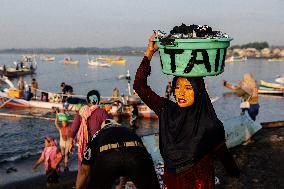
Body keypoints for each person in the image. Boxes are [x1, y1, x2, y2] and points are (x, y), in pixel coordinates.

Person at [133, 33, 240, 189]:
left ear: (199, 91)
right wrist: (149, 53)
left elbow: (225, 157)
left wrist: (234, 172)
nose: (180, 93)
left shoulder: (211, 125)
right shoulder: (167, 110)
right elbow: (139, 87)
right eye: (177, 87)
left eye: (188, 88)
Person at [76, 119, 160, 189]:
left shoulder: (97, 134)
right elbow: (129, 158)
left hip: (109, 157)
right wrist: (121, 185)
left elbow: (84, 170)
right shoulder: (128, 131)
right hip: (135, 153)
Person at [68, 90, 111, 175]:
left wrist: (70, 142)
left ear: (87, 101)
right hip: (97, 147)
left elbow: (73, 129)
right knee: (96, 171)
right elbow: (109, 129)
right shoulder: (102, 112)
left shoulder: (81, 112)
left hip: (84, 147)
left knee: (82, 171)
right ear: (98, 100)